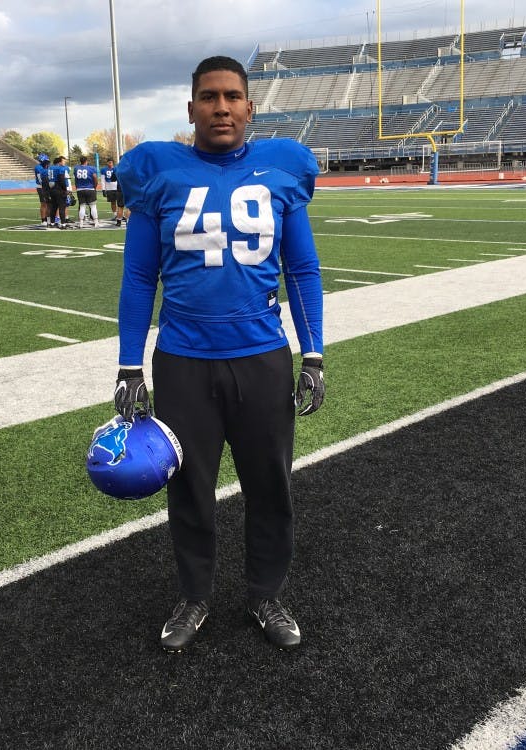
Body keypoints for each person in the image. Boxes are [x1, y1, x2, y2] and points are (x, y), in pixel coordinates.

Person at [113, 55, 325, 653]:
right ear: (191, 109)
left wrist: (313, 354)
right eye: (209, 97)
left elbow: (302, 269)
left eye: (232, 97)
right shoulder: (158, 171)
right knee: (188, 487)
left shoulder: (281, 168)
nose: (221, 107)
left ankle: (265, 594)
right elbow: (139, 277)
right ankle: (194, 595)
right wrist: (129, 364)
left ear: (250, 107)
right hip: (183, 360)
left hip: (262, 357)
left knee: (270, 486)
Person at [46, 155, 73, 229]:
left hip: (52, 189)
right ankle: (63, 224)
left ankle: (52, 223)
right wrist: (65, 189)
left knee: (53, 207)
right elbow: (61, 179)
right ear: (59, 162)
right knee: (62, 207)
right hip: (59, 189)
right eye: (62, 161)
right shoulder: (59, 168)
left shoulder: (50, 168)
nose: (63, 163)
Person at [73, 155, 100, 228]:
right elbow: (95, 178)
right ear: (86, 161)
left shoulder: (76, 168)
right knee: (93, 206)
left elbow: (76, 179)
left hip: (80, 189)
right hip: (90, 188)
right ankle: (96, 222)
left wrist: (77, 187)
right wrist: (94, 187)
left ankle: (81, 223)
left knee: (82, 206)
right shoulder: (91, 168)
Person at [101, 158, 126, 226]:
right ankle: (118, 217)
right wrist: (104, 189)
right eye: (109, 162)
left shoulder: (116, 168)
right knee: (116, 203)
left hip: (119, 188)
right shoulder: (104, 169)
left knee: (121, 206)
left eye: (111, 162)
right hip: (122, 188)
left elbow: (113, 179)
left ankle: (120, 219)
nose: (110, 164)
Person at [34, 154, 51, 227]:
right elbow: (40, 179)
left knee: (49, 204)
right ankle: (43, 220)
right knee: (44, 203)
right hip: (41, 187)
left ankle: (48, 219)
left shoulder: (47, 167)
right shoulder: (38, 167)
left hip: (47, 186)